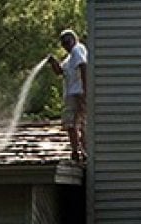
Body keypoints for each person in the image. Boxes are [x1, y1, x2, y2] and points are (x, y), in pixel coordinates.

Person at [47, 29, 88, 163]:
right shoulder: (70, 57)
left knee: (74, 124)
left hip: (77, 94)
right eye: (63, 43)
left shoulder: (78, 49)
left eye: (67, 42)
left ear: (73, 39)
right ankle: (79, 151)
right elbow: (60, 72)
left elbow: (83, 67)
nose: (65, 45)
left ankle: (78, 152)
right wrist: (53, 62)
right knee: (75, 124)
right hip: (73, 94)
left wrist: (85, 90)